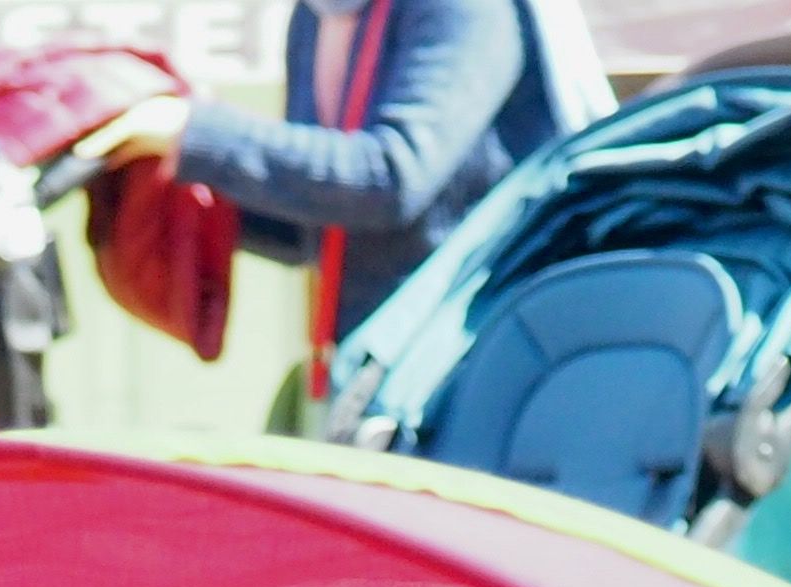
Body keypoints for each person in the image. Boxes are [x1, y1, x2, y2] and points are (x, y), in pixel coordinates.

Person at [77, 0, 609, 396]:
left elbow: (392, 176)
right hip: (376, 363)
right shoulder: (317, 17)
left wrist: (194, 135)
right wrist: (161, 173)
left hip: (485, 359)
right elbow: (323, 222)